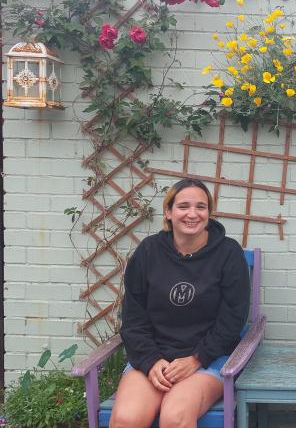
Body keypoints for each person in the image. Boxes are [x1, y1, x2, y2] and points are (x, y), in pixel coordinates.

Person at [110, 178, 250, 428]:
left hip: (208, 359)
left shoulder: (228, 253)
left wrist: (197, 358)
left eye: (201, 207)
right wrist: (151, 360)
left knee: (175, 417)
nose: (192, 214)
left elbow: (232, 318)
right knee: (126, 419)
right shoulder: (148, 252)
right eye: (183, 206)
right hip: (154, 358)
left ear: (209, 212)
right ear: (168, 211)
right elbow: (133, 318)